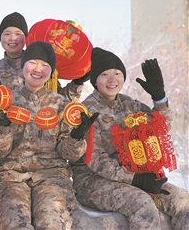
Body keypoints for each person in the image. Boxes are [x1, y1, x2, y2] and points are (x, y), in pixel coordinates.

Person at [70, 47, 189, 229]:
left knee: (183, 202)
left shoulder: (129, 104)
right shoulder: (87, 112)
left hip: (136, 176)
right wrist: (137, 180)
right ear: (95, 80)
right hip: (93, 181)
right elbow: (95, 161)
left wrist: (159, 97)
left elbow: (160, 127)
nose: (112, 80)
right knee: (143, 205)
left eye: (117, 73)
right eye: (104, 74)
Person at [0, 41, 98, 229]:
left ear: (51, 71)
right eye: (33, 63)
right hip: (11, 176)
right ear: (23, 65)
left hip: (51, 176)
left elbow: (68, 154)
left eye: (45, 65)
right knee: (14, 222)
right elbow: (0, 151)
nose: (38, 69)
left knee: (51, 221)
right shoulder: (5, 101)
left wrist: (77, 137)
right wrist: (3, 125)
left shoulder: (61, 104)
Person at [0, 11, 89, 102]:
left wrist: (77, 83)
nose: (12, 38)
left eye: (18, 34)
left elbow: (60, 100)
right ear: (0, 37)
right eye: (7, 34)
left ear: (26, 37)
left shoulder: (41, 65)